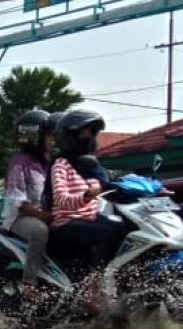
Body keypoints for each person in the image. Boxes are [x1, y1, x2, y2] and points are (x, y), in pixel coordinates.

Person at [47, 109, 127, 282]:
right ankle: (94, 283)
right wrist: (86, 196)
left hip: (90, 218)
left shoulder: (91, 165)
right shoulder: (61, 165)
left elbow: (112, 181)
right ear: (70, 137)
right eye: (84, 133)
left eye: (92, 133)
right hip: (67, 223)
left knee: (126, 229)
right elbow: (61, 200)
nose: (89, 137)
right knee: (111, 234)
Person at [3, 109, 55, 294]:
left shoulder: (51, 163)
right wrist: (42, 215)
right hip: (20, 219)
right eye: (48, 136)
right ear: (34, 137)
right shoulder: (19, 162)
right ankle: (30, 283)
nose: (52, 140)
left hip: (47, 215)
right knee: (40, 231)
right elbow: (18, 200)